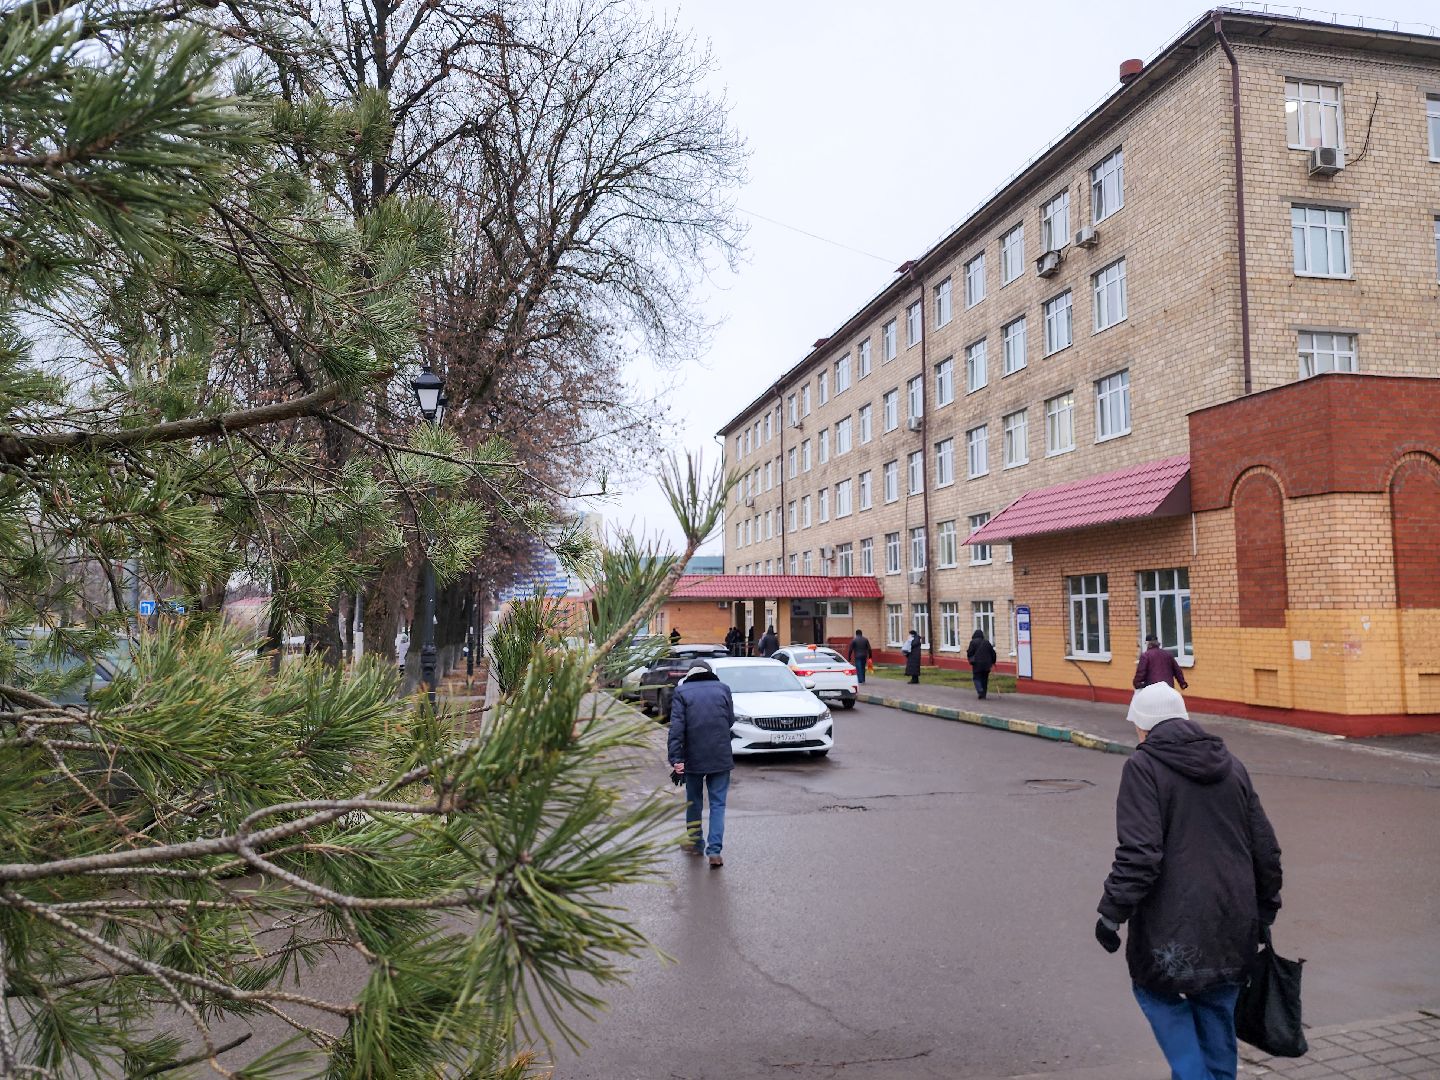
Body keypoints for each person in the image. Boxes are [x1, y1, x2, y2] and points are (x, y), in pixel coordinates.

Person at [1095, 682, 1283, 1080]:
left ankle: (1193, 1075)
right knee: (1216, 1001)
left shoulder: (1143, 767)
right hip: (1233, 915)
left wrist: (1112, 913)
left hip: (1171, 921)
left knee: (1154, 990)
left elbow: (1140, 853)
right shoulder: (1231, 764)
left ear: (1142, 726)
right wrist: (1265, 908)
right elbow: (1265, 847)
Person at [667, 662, 735, 868]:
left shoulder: (682, 692)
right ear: (709, 673)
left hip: (693, 757)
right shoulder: (723, 689)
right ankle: (714, 852)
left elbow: (676, 728)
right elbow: (730, 720)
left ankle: (696, 843)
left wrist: (676, 759)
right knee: (718, 804)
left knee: (694, 801)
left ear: (689, 675)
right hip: (720, 755)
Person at [966, 629, 997, 700]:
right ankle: (983, 694)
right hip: (987, 664)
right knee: (985, 679)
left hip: (977, 663)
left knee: (976, 678)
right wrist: (993, 662)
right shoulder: (987, 642)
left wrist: (970, 659)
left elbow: (970, 653)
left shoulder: (973, 642)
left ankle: (980, 690)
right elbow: (993, 653)